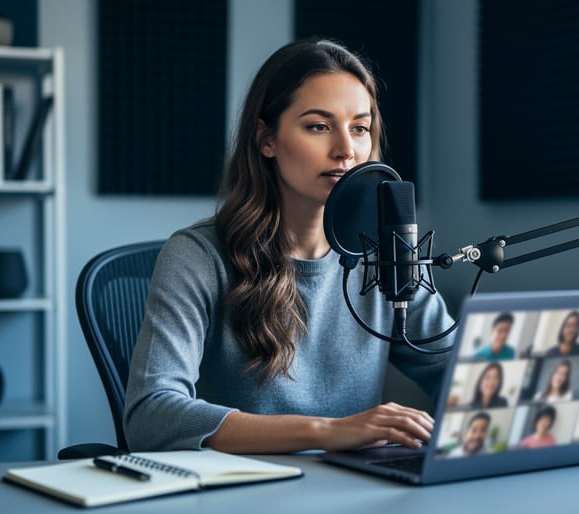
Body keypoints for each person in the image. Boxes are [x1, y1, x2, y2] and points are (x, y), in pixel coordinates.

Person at [123, 39, 454, 455]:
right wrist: (327, 431)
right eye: (318, 126)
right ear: (266, 138)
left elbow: (458, 373)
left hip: (355, 494)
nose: (346, 150)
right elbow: (150, 415)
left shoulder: (388, 254)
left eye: (360, 128)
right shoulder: (197, 257)